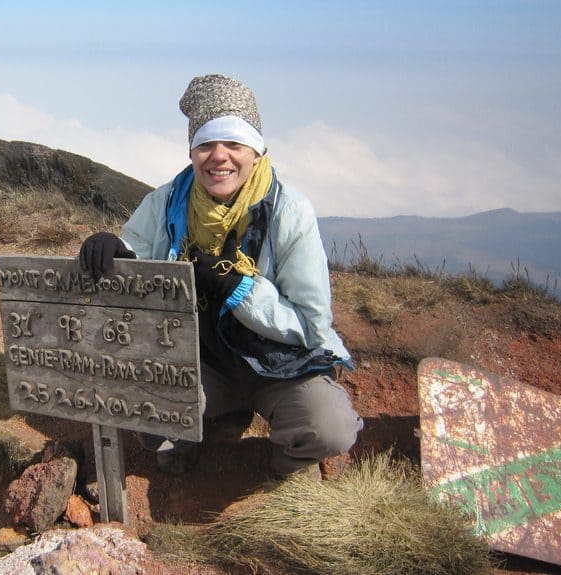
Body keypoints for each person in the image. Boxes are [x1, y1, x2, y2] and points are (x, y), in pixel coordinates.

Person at [79, 73, 363, 479]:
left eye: (234, 143)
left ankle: (287, 468)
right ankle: (205, 426)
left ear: (257, 150)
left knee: (329, 428)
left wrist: (241, 289)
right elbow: (135, 255)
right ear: (192, 151)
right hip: (200, 361)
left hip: (277, 366)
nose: (219, 156)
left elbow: (312, 324)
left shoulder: (290, 211)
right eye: (206, 144)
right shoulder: (166, 202)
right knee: (140, 406)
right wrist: (115, 253)